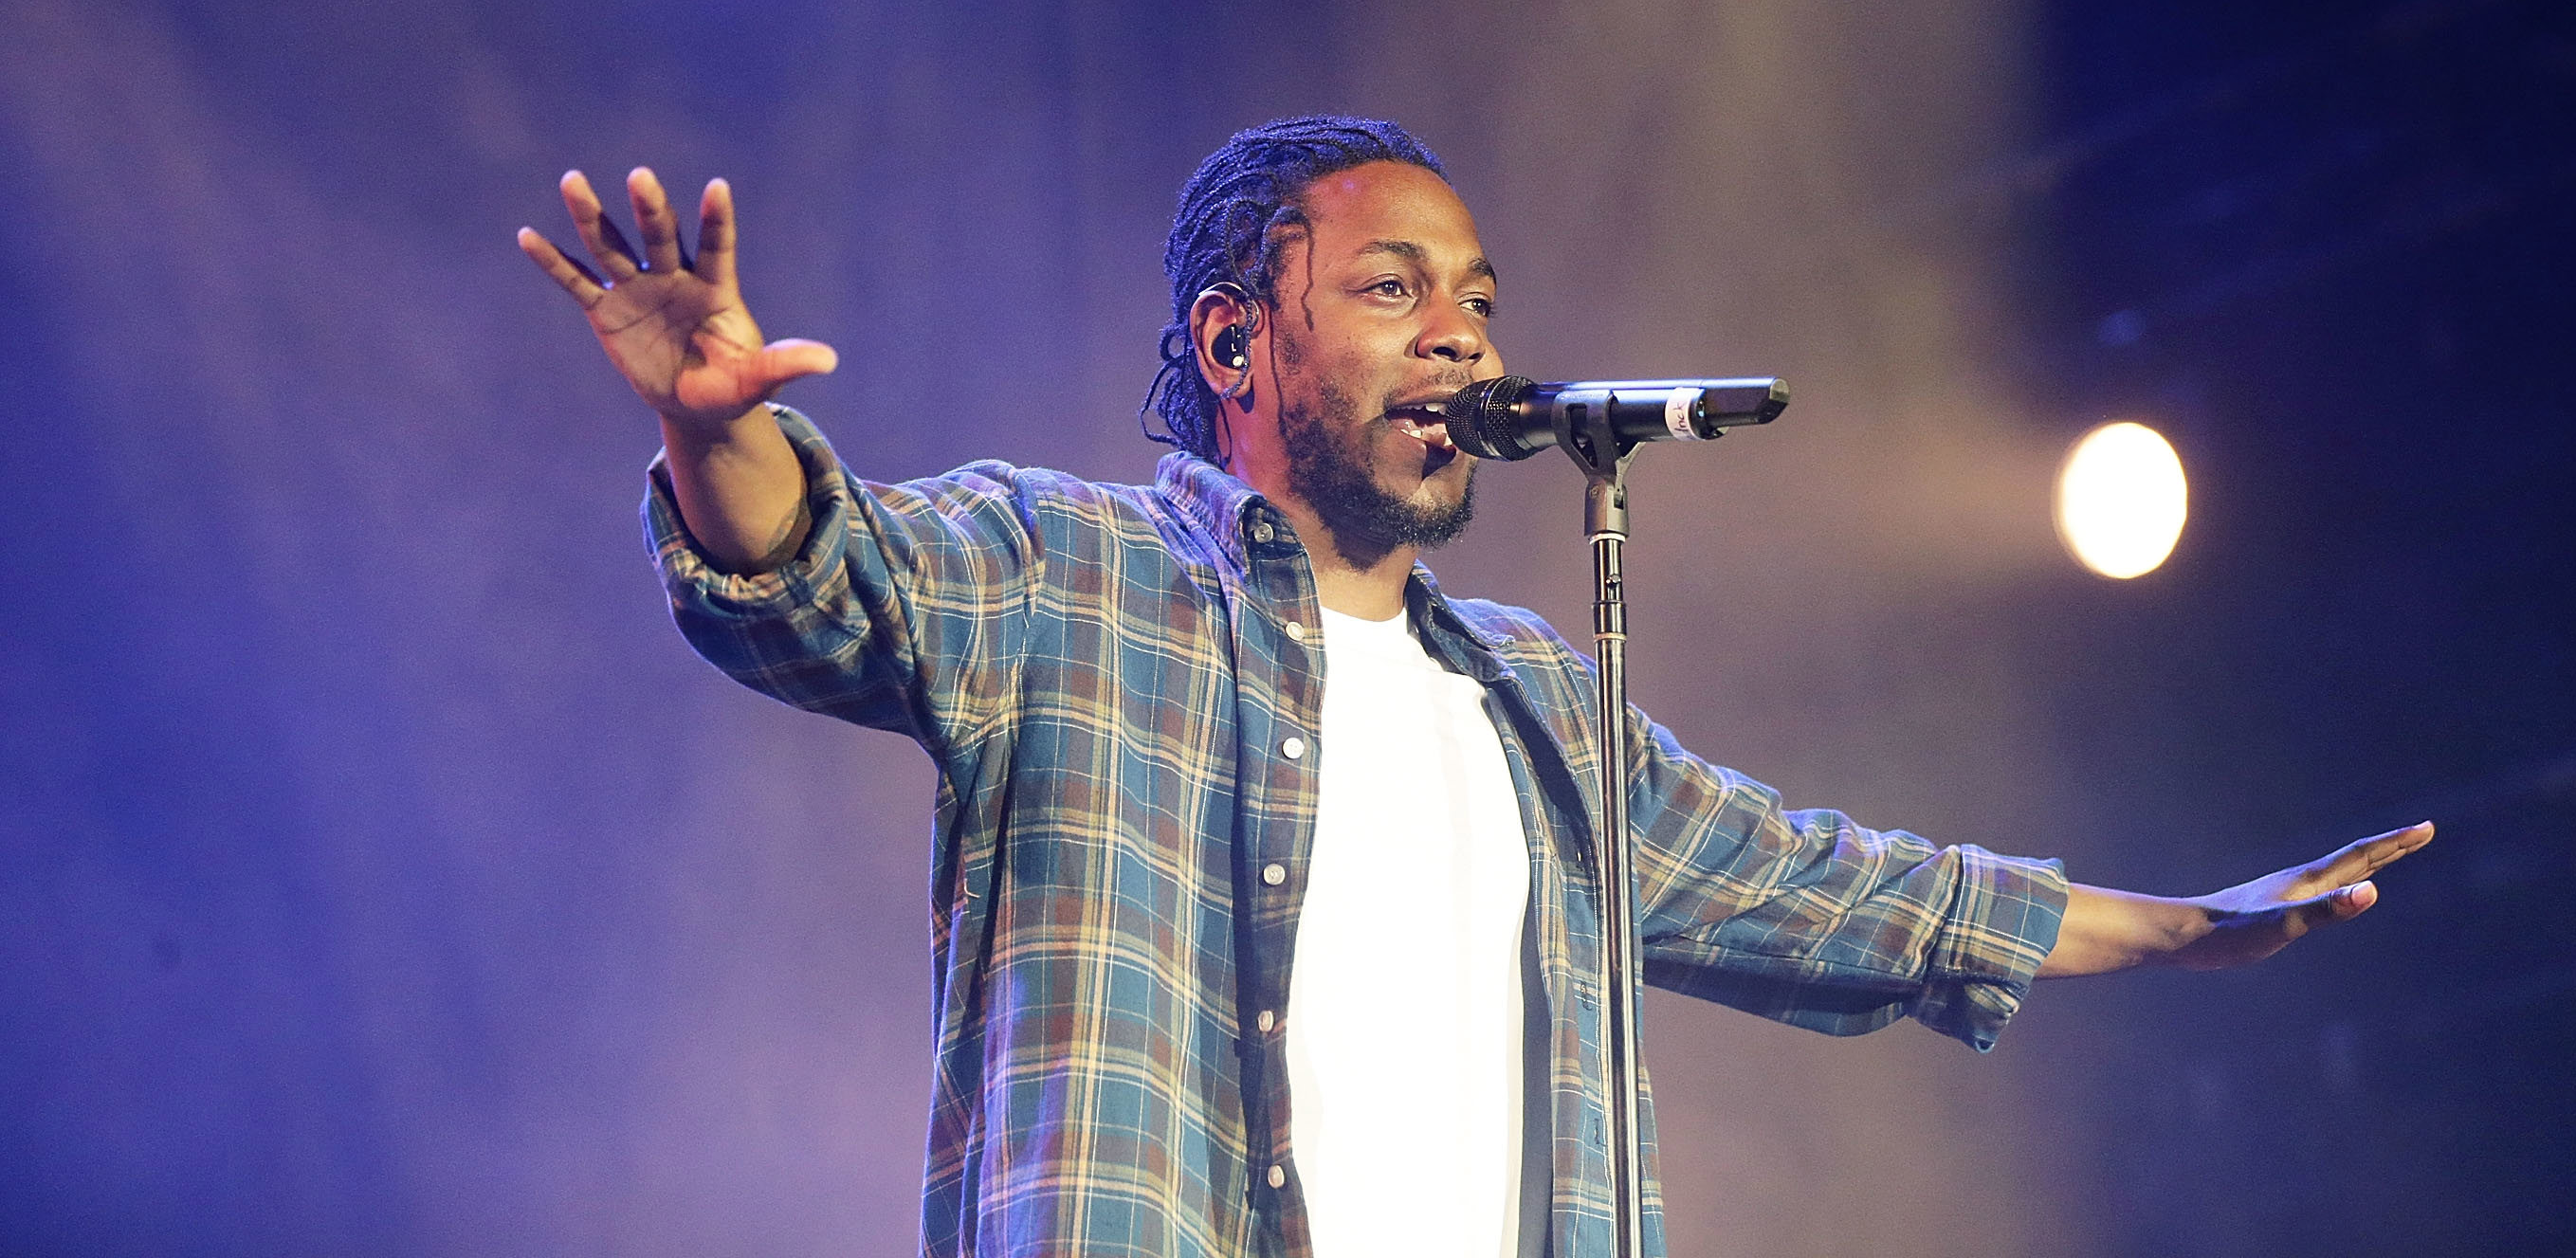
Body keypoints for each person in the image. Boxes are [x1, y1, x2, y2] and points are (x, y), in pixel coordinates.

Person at [518, 115, 2432, 1258]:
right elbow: (817, 584)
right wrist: (716, 440)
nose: (1462, 330)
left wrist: (2187, 926)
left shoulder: (1533, 706)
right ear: (1237, 338)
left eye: (1483, 299)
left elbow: (1843, 888)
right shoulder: (1068, 574)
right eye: (1393, 288)